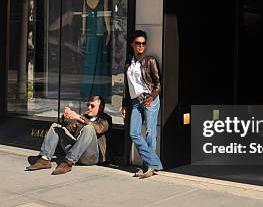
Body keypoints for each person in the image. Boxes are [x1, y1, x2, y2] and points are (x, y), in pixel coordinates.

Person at [26, 95, 111, 175]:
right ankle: (45, 159)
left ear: (100, 108)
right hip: (77, 153)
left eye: (92, 106)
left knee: (89, 128)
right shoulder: (85, 116)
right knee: (56, 127)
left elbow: (99, 129)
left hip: (91, 157)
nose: (89, 107)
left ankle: (68, 162)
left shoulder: (105, 118)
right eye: (88, 105)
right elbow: (70, 127)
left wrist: (79, 118)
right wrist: (66, 118)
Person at [121, 30, 162, 178]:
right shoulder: (128, 63)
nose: (141, 46)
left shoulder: (150, 61)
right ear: (132, 44)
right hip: (136, 101)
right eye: (138, 43)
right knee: (134, 132)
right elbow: (127, 86)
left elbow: (158, 83)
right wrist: (125, 104)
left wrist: (152, 96)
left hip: (149, 99)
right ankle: (153, 163)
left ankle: (148, 166)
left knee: (150, 132)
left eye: (143, 44)